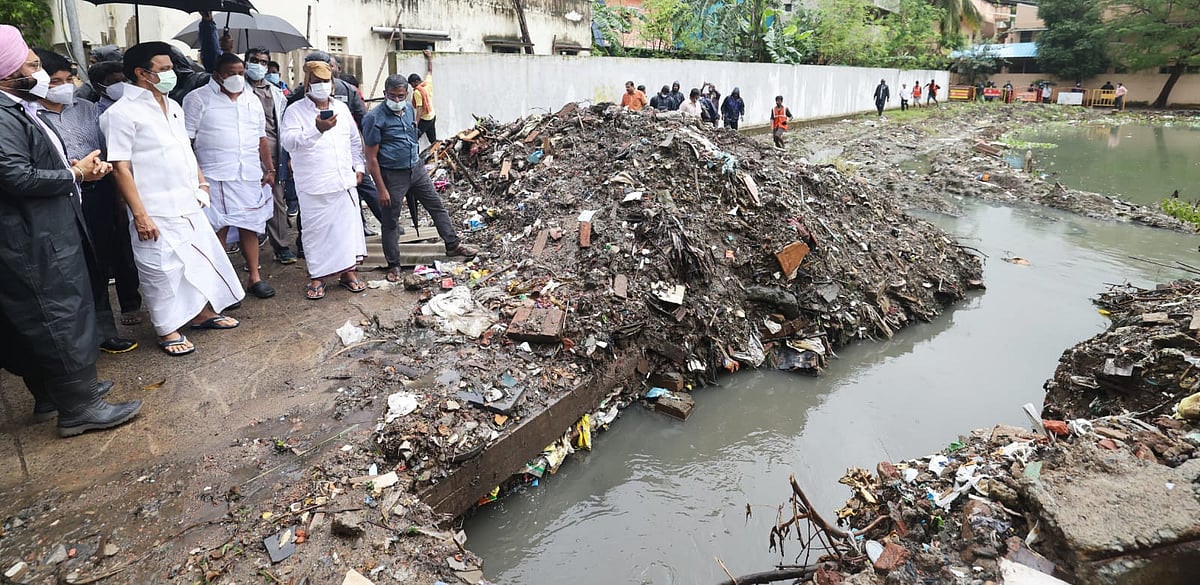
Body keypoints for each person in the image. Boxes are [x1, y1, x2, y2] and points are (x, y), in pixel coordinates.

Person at [0, 25, 142, 436]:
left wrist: (79, 175)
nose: (40, 72)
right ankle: (80, 407)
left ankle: (56, 393)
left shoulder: (15, 108)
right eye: (33, 65)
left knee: (47, 314)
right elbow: (16, 175)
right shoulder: (4, 115)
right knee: (55, 316)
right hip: (31, 237)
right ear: (8, 71)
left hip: (41, 229)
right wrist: (75, 173)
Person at [101, 41, 245, 357]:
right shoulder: (121, 114)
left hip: (188, 200)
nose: (171, 75)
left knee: (196, 261)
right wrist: (140, 215)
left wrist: (202, 182)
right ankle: (167, 328)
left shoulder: (173, 106)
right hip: (152, 207)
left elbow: (184, 149)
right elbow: (120, 167)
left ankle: (201, 314)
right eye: (164, 69)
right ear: (141, 73)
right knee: (161, 269)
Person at [32, 48, 139, 355]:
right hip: (59, 199)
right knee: (69, 269)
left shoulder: (87, 109)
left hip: (98, 194)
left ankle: (105, 331)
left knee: (99, 262)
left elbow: (110, 151)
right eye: (55, 81)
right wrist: (74, 171)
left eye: (69, 79)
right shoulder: (31, 116)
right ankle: (74, 339)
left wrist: (103, 170)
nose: (65, 86)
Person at [363, 74, 480, 283]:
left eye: (401, 96)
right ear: (385, 94)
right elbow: (371, 158)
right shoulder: (374, 118)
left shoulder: (408, 109)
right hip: (392, 174)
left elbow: (411, 136)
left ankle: (452, 244)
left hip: (416, 169)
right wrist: (381, 188)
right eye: (392, 96)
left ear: (407, 94)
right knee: (391, 221)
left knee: (436, 206)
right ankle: (394, 264)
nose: (397, 101)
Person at [183, 52, 277, 300]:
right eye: (230, 73)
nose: (237, 78)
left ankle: (254, 277)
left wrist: (269, 168)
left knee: (251, 225)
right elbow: (186, 142)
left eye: (240, 73)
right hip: (214, 176)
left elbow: (261, 138)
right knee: (218, 229)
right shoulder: (198, 99)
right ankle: (218, 283)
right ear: (217, 75)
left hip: (248, 174)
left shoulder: (252, 99)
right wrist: (195, 176)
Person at [280, 60, 368, 300]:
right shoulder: (295, 111)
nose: (322, 86)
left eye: (325, 82)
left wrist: (359, 166)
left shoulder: (341, 107)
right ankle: (318, 277)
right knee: (316, 233)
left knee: (345, 231)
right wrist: (316, 130)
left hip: (343, 181)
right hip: (314, 185)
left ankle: (348, 273)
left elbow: (353, 140)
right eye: (317, 82)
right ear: (308, 83)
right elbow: (288, 142)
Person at [245, 47, 296, 265]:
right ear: (246, 62)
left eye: (263, 62)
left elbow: (281, 124)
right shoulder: (238, 90)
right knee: (247, 204)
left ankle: (281, 246)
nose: (259, 65)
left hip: (273, 154)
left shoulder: (275, 92)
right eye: (254, 60)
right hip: (246, 154)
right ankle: (251, 253)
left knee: (277, 200)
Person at [408, 49, 437, 147]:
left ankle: (415, 159)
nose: (412, 86)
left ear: (415, 82)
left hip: (425, 119)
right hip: (432, 115)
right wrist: (429, 56)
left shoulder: (417, 92)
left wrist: (416, 122)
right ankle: (438, 155)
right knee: (433, 140)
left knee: (414, 138)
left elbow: (419, 108)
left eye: (412, 84)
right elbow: (430, 70)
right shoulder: (427, 83)